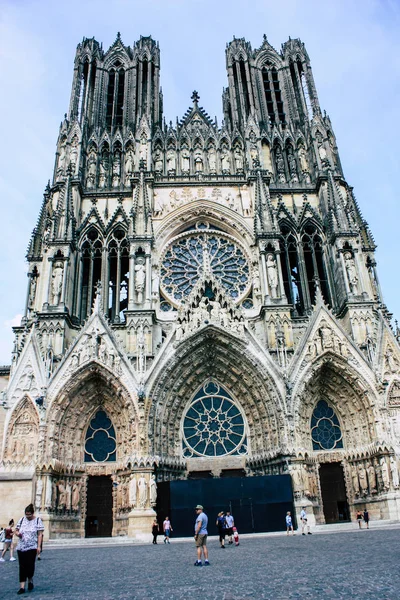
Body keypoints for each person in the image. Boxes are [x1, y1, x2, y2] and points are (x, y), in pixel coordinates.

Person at [15, 503, 44, 594]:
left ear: (32, 513)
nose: (27, 516)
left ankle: (30, 579)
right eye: (26, 514)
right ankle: (22, 587)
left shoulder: (37, 520)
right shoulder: (22, 519)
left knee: (30, 566)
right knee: (22, 566)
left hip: (32, 547)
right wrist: (17, 534)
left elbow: (40, 535)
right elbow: (16, 530)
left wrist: (39, 546)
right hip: (21, 546)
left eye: (29, 515)